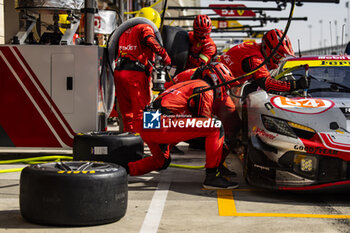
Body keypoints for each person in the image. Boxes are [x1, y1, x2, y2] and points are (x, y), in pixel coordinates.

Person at [126, 63, 239, 189]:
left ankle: (124, 169)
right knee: (216, 126)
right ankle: (212, 177)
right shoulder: (204, 88)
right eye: (225, 86)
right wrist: (221, 145)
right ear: (217, 79)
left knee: (161, 161)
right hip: (162, 123)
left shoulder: (186, 85)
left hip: (149, 122)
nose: (225, 91)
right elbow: (204, 121)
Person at [114, 7, 171, 133]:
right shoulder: (145, 27)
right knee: (142, 111)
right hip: (136, 75)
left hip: (119, 73)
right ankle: (143, 141)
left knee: (127, 113)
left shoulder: (124, 30)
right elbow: (150, 40)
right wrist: (164, 54)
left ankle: (128, 141)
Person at [216, 29, 309, 92]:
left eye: (281, 57)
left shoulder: (252, 47)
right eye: (277, 55)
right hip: (218, 85)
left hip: (218, 77)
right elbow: (267, 84)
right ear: (266, 47)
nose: (278, 60)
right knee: (231, 116)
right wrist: (295, 85)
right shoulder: (255, 59)